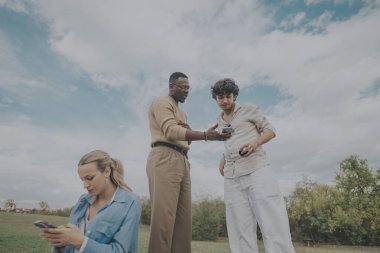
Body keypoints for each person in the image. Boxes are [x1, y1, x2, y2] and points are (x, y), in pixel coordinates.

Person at [146, 72, 230, 253]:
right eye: (182, 87)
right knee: (164, 219)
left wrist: (195, 132)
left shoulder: (182, 112)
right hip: (164, 157)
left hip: (183, 160)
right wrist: (206, 135)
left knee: (183, 222)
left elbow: (185, 139)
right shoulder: (162, 102)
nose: (186, 91)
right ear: (171, 86)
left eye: (188, 88)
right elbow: (170, 131)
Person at [211, 78, 295, 253]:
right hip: (232, 176)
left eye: (228, 96)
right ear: (216, 98)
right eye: (220, 97)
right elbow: (230, 141)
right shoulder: (219, 119)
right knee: (240, 226)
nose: (224, 101)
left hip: (257, 169)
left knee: (272, 220)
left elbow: (270, 130)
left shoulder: (249, 109)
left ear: (234, 96)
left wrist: (255, 144)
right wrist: (223, 157)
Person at [40, 150, 141, 253]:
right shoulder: (82, 201)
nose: (85, 185)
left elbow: (121, 250)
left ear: (107, 172)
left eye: (90, 178)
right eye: (82, 180)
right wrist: (63, 243)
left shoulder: (130, 203)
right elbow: (72, 246)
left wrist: (80, 242)